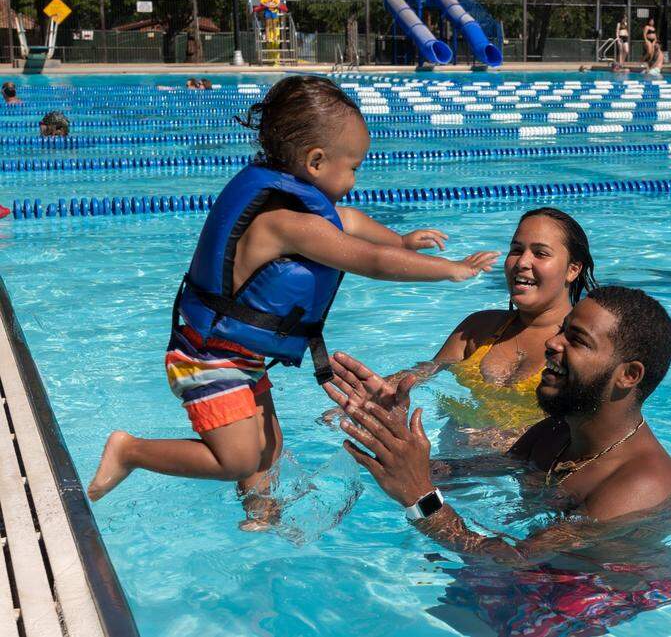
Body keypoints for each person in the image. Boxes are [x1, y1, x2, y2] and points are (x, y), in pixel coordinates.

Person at [85, 76, 500, 526]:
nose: (356, 178)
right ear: (316, 161)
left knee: (269, 446)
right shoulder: (286, 222)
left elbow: (354, 222)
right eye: (354, 167)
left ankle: (260, 513)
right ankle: (130, 451)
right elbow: (373, 262)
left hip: (238, 353)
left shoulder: (297, 203)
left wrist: (401, 238)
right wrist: (454, 269)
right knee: (238, 460)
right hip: (208, 357)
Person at [328, 284, 671, 542]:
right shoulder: (554, 432)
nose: (553, 344)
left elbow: (515, 563)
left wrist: (420, 498)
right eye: (562, 331)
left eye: (577, 340)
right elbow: (462, 473)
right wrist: (393, 436)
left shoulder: (637, 487)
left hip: (598, 596)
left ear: (629, 375)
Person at [327, 208, 598, 451]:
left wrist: (505, 442)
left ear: (573, 269)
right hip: (453, 465)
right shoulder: (478, 329)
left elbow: (585, 429)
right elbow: (423, 372)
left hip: (522, 480)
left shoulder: (580, 346)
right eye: (516, 250)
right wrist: (373, 398)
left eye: (540, 253)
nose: (522, 262)